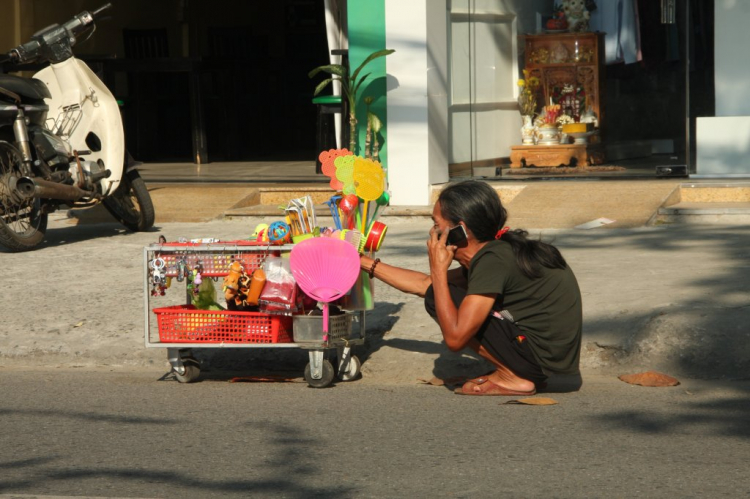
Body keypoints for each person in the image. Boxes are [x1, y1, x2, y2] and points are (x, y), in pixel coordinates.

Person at [359, 180, 582, 395]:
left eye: (437, 224)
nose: (432, 232)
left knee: (436, 295)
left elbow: (455, 339)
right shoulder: (494, 252)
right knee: (438, 289)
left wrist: (437, 269)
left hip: (542, 362)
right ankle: (514, 369)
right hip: (547, 359)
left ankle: (513, 378)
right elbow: (423, 283)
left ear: (460, 230)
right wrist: (362, 261)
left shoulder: (492, 260)